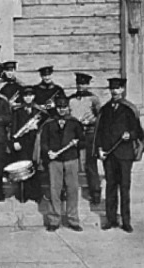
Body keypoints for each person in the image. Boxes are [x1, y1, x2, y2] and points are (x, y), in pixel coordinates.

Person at [95, 78, 144, 233]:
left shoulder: (129, 109)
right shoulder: (105, 109)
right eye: (112, 88)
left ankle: (126, 221)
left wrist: (129, 135)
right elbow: (99, 131)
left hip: (124, 155)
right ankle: (110, 220)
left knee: (124, 188)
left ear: (123, 89)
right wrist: (99, 149)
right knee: (110, 187)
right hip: (109, 155)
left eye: (117, 88)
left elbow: (138, 131)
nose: (114, 91)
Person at [40, 96, 85, 232]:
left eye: (64, 107)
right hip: (55, 161)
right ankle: (54, 220)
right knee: (55, 190)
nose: (62, 110)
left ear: (68, 108)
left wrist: (78, 143)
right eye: (59, 108)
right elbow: (44, 142)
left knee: (72, 189)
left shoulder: (75, 123)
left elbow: (83, 141)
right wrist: (48, 152)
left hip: (71, 159)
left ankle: (73, 219)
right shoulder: (49, 124)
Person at [68, 72, 102, 205]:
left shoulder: (94, 99)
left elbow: (100, 117)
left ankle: (95, 193)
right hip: (74, 134)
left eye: (83, 84)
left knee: (90, 164)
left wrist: (91, 121)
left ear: (88, 85)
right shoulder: (71, 98)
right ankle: (68, 192)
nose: (81, 86)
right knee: (71, 163)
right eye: (79, 84)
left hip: (89, 134)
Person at [11, 86, 48, 203]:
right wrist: (15, 141)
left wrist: (37, 127)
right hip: (22, 143)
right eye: (26, 96)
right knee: (23, 168)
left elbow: (46, 125)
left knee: (36, 167)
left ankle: (36, 194)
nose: (28, 98)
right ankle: (23, 195)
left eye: (30, 95)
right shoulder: (17, 111)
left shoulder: (39, 111)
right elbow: (13, 128)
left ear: (34, 96)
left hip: (35, 143)